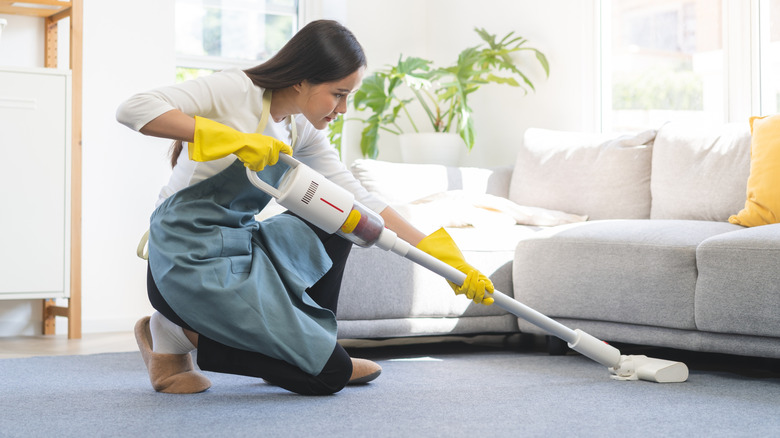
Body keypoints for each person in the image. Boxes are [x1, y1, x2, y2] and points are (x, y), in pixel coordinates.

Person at [116, 19, 494, 396]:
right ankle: (172, 334)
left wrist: (438, 256)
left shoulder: (301, 128)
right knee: (328, 376)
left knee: (346, 220)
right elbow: (134, 109)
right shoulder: (236, 89)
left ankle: (313, 343)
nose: (343, 108)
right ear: (302, 80)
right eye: (338, 94)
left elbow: (358, 198)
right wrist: (228, 138)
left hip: (238, 247)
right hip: (184, 259)